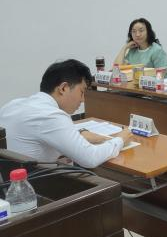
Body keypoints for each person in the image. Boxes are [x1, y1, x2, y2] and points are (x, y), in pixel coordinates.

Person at [0, 60, 133, 168]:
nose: (83, 100)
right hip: (34, 186)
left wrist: (79, 134)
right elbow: (90, 158)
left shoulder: (13, 104)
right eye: (82, 92)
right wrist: (120, 139)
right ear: (63, 88)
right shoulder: (51, 115)